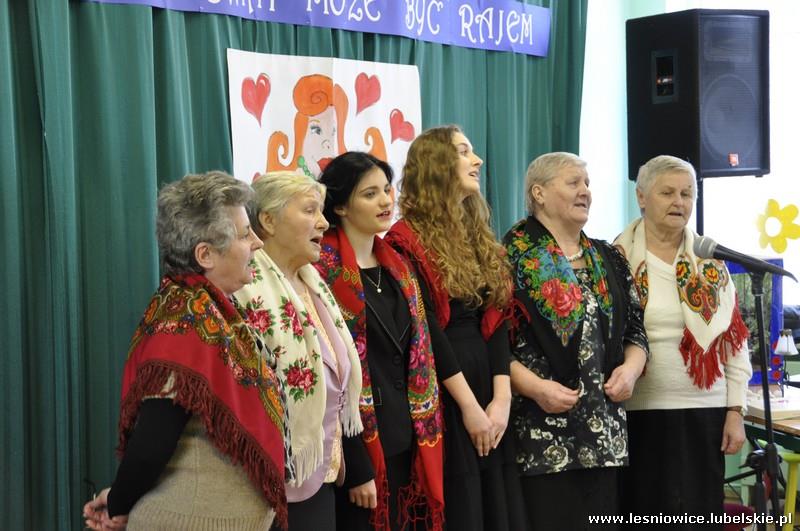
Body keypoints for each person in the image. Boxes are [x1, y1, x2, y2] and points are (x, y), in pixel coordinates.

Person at [83, 171, 288, 530]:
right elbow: (154, 439)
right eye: (244, 234)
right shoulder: (186, 320)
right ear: (205, 254)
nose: (257, 242)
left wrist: (118, 498)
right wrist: (118, 502)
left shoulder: (206, 310)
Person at [385, 126, 528, 531]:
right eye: (464, 152)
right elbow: (428, 333)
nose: (477, 160)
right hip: (448, 390)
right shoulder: (404, 241)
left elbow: (498, 317)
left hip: (487, 384)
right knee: (463, 506)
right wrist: (469, 407)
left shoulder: (475, 234)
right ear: (437, 166)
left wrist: (501, 399)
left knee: (498, 504)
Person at [503, 152, 649, 530]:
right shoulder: (508, 259)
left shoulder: (609, 258)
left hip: (604, 434)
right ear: (539, 192)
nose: (585, 191)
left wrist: (631, 371)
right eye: (573, 183)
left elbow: (636, 331)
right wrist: (535, 388)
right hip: (541, 434)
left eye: (587, 183)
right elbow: (492, 347)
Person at [614, 155, 751, 526]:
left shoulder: (712, 261)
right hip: (638, 411)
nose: (680, 202)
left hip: (705, 411)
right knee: (642, 514)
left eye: (688, 194)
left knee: (700, 515)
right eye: (668, 192)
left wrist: (735, 412)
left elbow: (734, 345)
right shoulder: (615, 259)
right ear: (642, 197)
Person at [315, 151, 445, 530]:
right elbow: (331, 378)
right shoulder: (322, 272)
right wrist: (357, 465)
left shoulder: (399, 268)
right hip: (356, 445)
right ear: (339, 205)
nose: (386, 201)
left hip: (406, 436)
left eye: (387, 190)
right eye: (370, 194)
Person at [235, 171, 363, 531]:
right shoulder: (245, 291)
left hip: (321, 475)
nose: (323, 222)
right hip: (271, 482)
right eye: (310, 211)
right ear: (269, 220)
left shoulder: (312, 281)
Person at [267, 74, 386, 177]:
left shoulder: (346, 181)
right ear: (300, 133)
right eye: (316, 130)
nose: (327, 144)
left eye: (334, 131)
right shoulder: (289, 184)